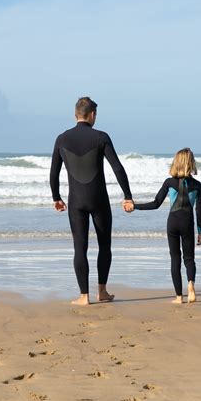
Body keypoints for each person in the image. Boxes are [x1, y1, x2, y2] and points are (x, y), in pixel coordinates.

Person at [50, 97, 133, 305]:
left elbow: (53, 173)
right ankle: (102, 292)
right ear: (93, 115)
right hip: (99, 200)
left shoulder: (62, 139)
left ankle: (83, 296)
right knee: (105, 245)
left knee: (80, 248)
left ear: (75, 114)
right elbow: (118, 168)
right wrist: (127, 195)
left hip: (76, 202)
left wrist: (56, 197)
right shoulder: (101, 137)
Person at [124, 148, 201, 304]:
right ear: (191, 163)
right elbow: (199, 210)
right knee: (189, 259)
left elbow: (155, 204)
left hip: (173, 223)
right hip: (188, 223)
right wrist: (200, 231)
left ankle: (179, 297)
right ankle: (191, 285)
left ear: (176, 162)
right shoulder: (198, 185)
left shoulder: (169, 182)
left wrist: (135, 206)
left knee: (175, 258)